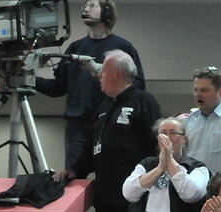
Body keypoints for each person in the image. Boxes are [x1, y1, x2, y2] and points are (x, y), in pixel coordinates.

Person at [34, 0, 143, 184]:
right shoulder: (75, 48)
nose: (85, 7)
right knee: (72, 180)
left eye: (92, 5)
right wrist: (29, 80)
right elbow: (57, 87)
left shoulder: (123, 47)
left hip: (109, 124)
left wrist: (101, 70)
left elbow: (137, 86)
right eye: (84, 5)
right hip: (77, 126)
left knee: (112, 180)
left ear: (107, 11)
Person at [91, 50, 160, 212]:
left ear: (116, 74)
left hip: (134, 195)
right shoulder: (103, 106)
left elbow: (156, 146)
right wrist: (73, 169)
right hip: (105, 194)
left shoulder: (144, 101)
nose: (99, 75)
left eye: (103, 71)